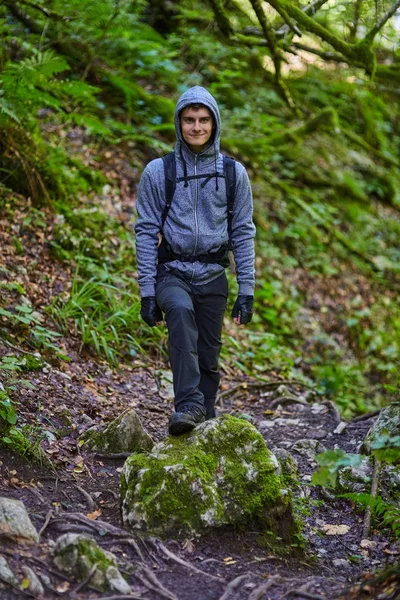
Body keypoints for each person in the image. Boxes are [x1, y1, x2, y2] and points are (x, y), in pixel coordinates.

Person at [135, 86, 256, 435]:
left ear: (215, 124)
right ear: (179, 122)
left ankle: (204, 414)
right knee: (180, 314)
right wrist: (147, 292)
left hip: (213, 274)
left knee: (209, 353)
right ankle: (187, 405)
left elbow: (243, 232)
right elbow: (145, 232)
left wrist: (246, 289)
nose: (197, 127)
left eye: (204, 120)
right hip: (171, 271)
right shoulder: (159, 172)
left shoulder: (234, 174)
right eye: (189, 119)